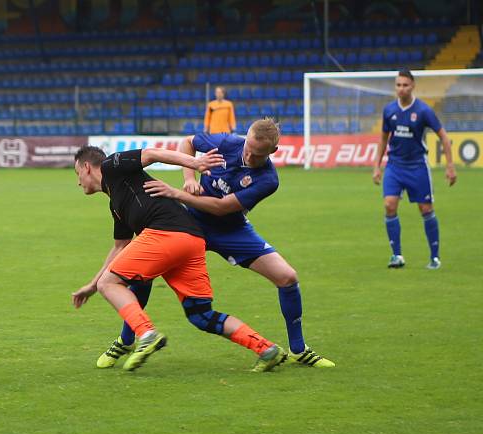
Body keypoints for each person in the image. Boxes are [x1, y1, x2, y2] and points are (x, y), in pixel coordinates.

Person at [97, 119, 334, 369]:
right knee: (140, 276)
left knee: (287, 277)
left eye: (258, 154)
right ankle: (127, 340)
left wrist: (178, 193)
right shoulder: (227, 143)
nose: (250, 156)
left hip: (230, 230)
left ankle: (298, 349)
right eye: (248, 149)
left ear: (273, 152)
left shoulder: (268, 179)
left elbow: (222, 208)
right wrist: (189, 177)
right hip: (187, 222)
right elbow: (187, 142)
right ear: (245, 138)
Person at [72, 145, 288, 373]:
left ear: (87, 167)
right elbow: (120, 248)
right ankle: (266, 348)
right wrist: (92, 286)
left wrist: (193, 163)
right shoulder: (116, 203)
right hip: (191, 240)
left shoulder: (111, 165)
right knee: (201, 315)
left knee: (110, 283)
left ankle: (146, 334)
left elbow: (152, 153)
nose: (78, 182)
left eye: (77, 174)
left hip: (167, 234)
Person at [373, 69, 456, 270]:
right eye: (398, 85)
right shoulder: (389, 110)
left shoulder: (424, 111)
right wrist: (377, 166)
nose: (401, 89)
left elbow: (444, 137)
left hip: (417, 166)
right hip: (394, 165)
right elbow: (384, 139)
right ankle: (397, 256)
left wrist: (450, 166)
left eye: (405, 85)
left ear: (413, 86)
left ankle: (434, 257)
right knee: (389, 205)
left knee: (425, 209)